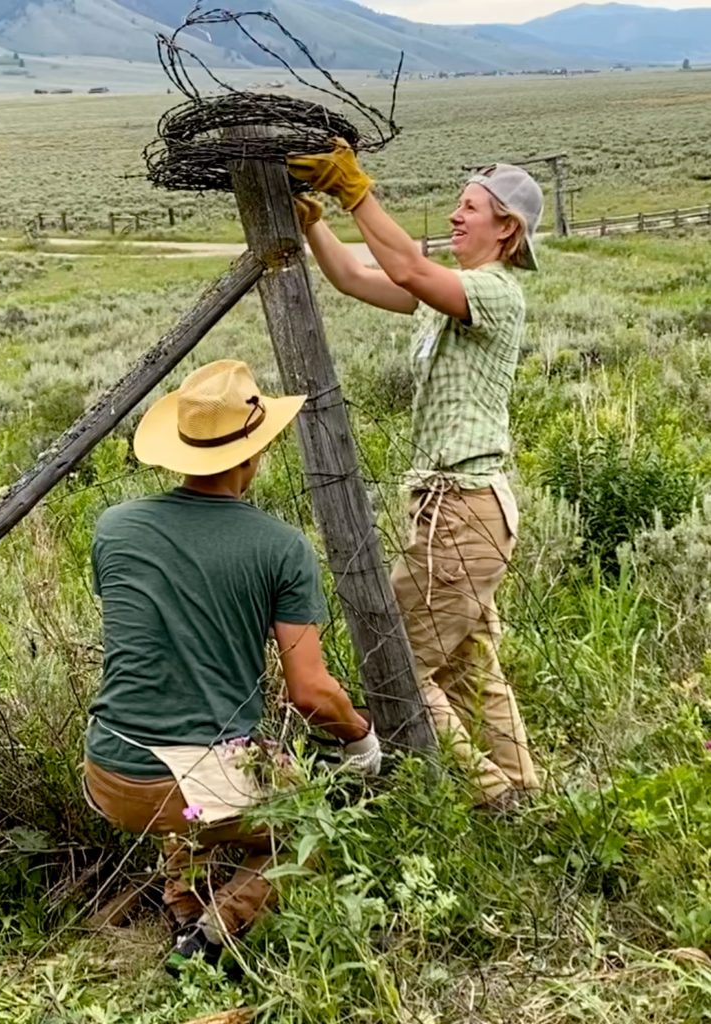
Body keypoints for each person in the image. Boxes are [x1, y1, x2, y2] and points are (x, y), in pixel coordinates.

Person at [83, 358, 381, 973]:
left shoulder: (114, 528)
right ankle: (215, 934)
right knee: (312, 820)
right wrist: (359, 736)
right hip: (181, 784)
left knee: (197, 753)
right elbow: (311, 693)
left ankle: (183, 902)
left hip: (108, 770)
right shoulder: (280, 547)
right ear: (254, 453)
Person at [288, 142, 541, 810]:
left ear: (506, 229)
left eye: (471, 209)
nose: (456, 217)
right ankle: (521, 789)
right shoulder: (447, 298)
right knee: (468, 668)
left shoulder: (493, 292)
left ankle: (488, 794)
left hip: (460, 510)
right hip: (459, 511)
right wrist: (312, 219)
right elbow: (354, 277)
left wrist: (355, 191)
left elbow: (404, 264)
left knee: (394, 664)